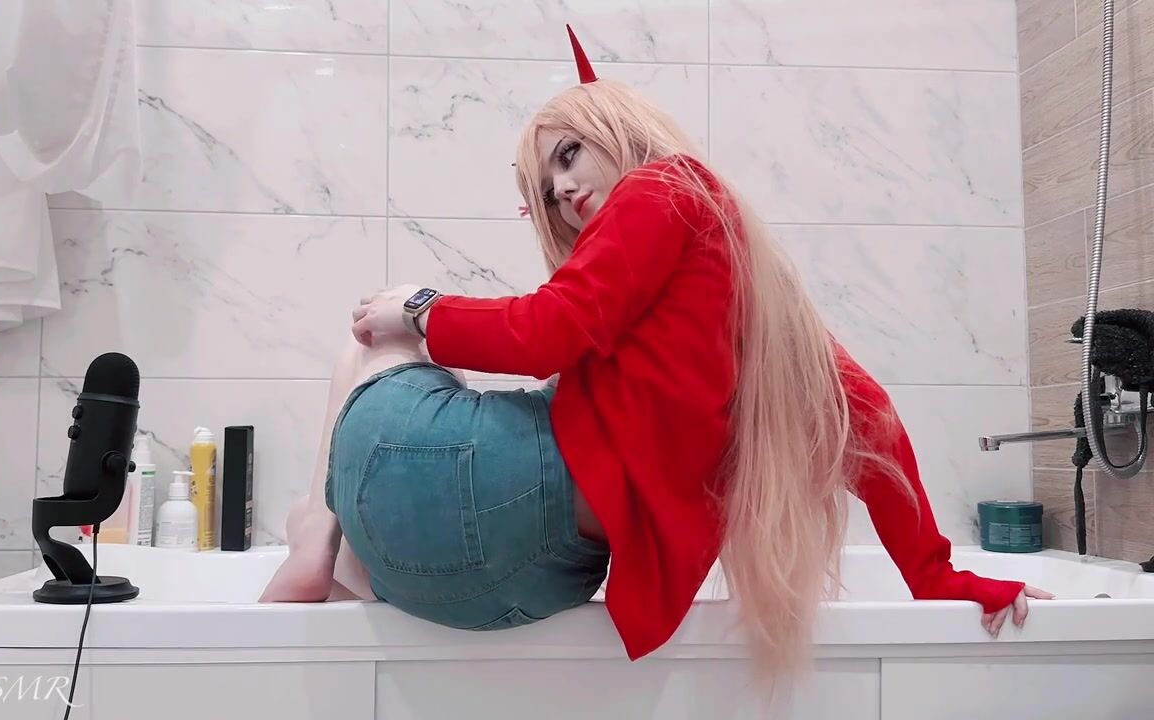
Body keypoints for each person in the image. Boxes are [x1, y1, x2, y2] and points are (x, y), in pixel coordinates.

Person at [260, 24, 1053, 683]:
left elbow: (547, 330)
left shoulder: (667, 185)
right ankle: (327, 539)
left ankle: (316, 528)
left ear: (616, 125)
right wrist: (936, 576)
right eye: (547, 188)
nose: (563, 191)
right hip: (529, 576)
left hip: (489, 505)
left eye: (569, 154)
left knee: (377, 331)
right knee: (371, 469)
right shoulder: (754, 302)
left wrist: (422, 308)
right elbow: (868, 419)